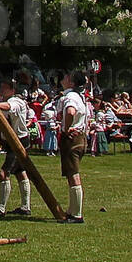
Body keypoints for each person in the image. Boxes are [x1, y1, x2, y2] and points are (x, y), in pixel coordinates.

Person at [0, 78, 36, 218]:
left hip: (20, 141)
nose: (1, 89)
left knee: (4, 173)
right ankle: (25, 207)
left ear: (12, 90)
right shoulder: (2, 102)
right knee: (20, 172)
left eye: (4, 87)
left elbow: (8, 107)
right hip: (10, 141)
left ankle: (1, 208)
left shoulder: (17, 101)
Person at [53, 73, 92, 223]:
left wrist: (66, 129)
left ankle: (77, 214)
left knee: (73, 174)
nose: (63, 79)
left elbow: (70, 112)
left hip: (72, 138)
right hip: (80, 137)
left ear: (71, 82)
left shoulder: (71, 97)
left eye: (66, 77)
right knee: (71, 173)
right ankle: (72, 210)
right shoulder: (80, 97)